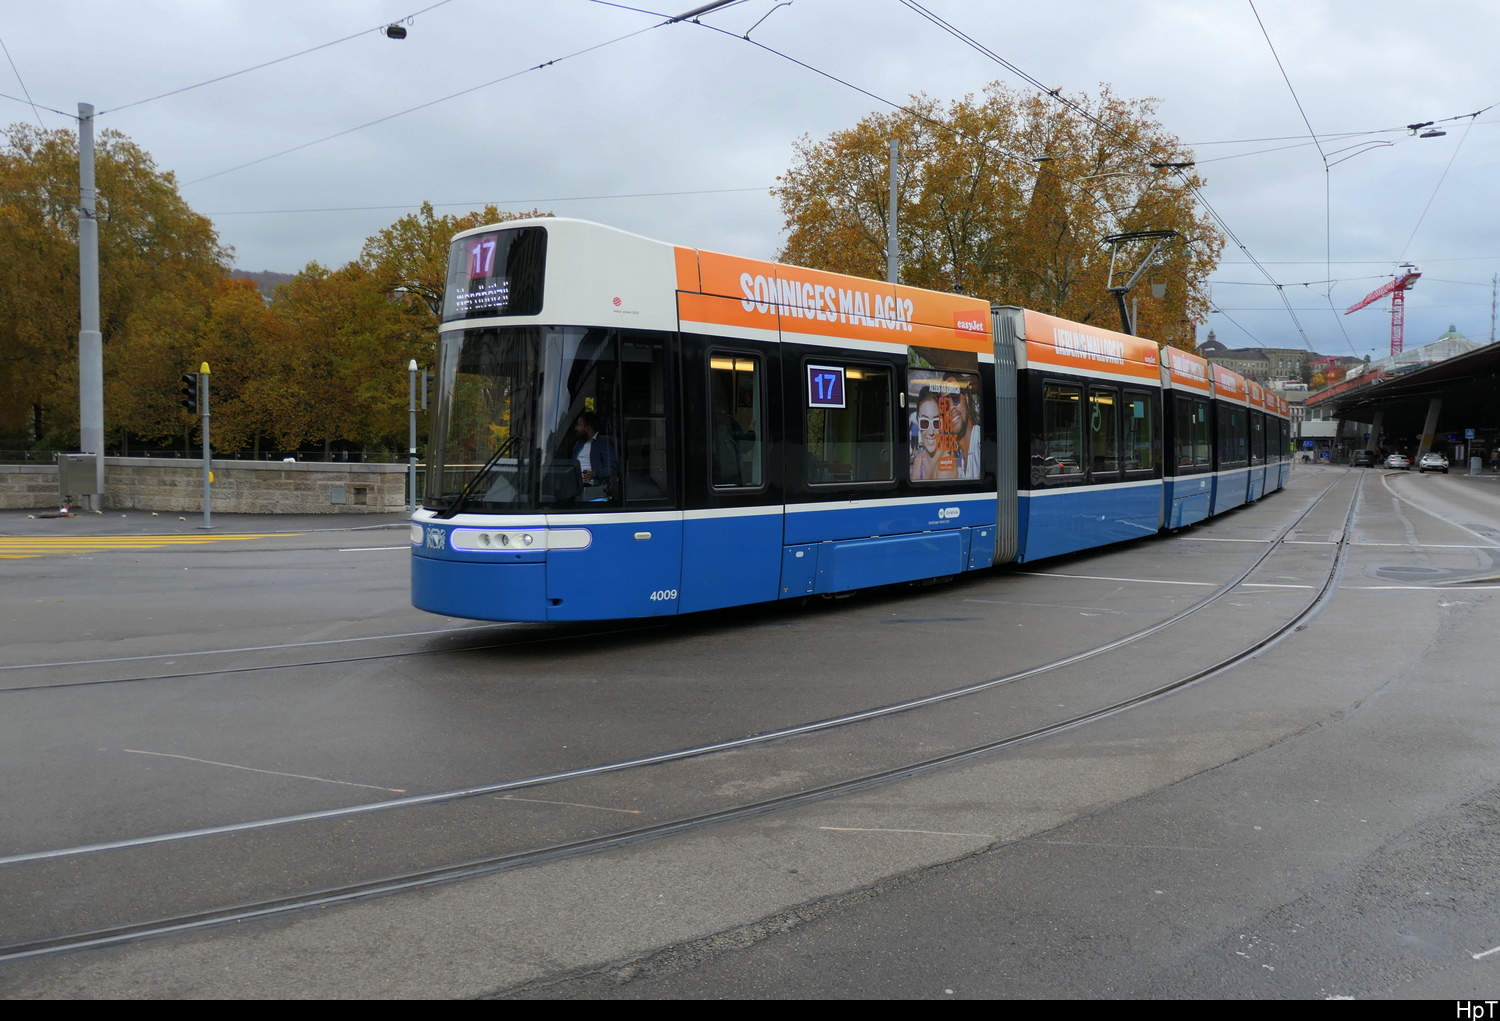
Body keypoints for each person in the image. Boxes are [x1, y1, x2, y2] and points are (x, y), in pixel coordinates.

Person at [910, 389, 957, 481]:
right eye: (924, 423)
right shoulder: (919, 459)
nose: (931, 432)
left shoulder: (947, 462)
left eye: (936, 423)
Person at [941, 375, 981, 479]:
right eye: (945, 404)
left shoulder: (981, 444)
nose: (951, 408)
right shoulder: (959, 462)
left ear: (966, 399)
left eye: (955, 398)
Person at [571, 411, 618, 490]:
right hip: (572, 484)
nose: (576, 428)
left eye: (579, 425)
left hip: (590, 488)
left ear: (588, 428)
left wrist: (594, 474)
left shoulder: (604, 444)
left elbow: (612, 469)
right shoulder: (578, 444)